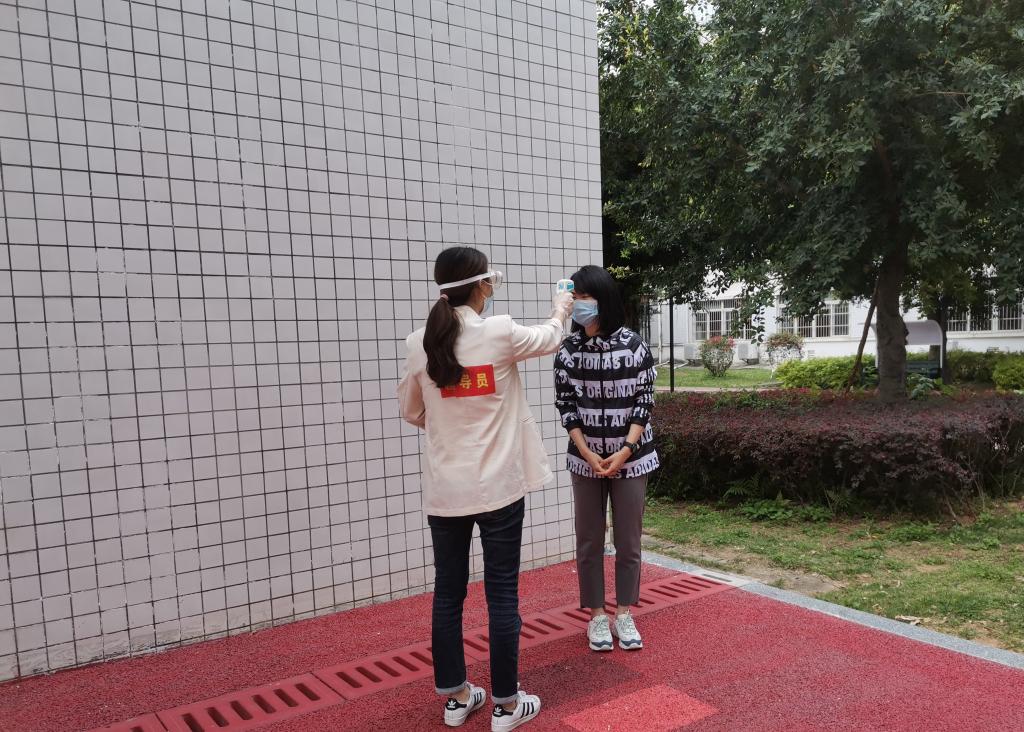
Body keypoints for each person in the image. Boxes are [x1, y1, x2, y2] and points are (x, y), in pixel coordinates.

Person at [398, 246, 573, 730]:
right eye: (491, 280)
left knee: (447, 595)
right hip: (498, 487)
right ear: (482, 286)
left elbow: (412, 411)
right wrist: (561, 306)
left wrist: (448, 420)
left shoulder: (418, 342)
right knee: (502, 596)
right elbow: (550, 337)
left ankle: (457, 698)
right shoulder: (499, 332)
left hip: (445, 491)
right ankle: (506, 706)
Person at [553, 265, 660, 652]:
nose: (578, 305)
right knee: (589, 540)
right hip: (585, 460)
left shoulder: (634, 346)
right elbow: (566, 405)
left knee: (628, 541)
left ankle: (624, 612)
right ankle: (597, 615)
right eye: (574, 297)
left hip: (631, 458)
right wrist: (585, 450)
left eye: (583, 297)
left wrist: (625, 450)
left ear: (603, 299)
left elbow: (644, 402)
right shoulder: (568, 350)